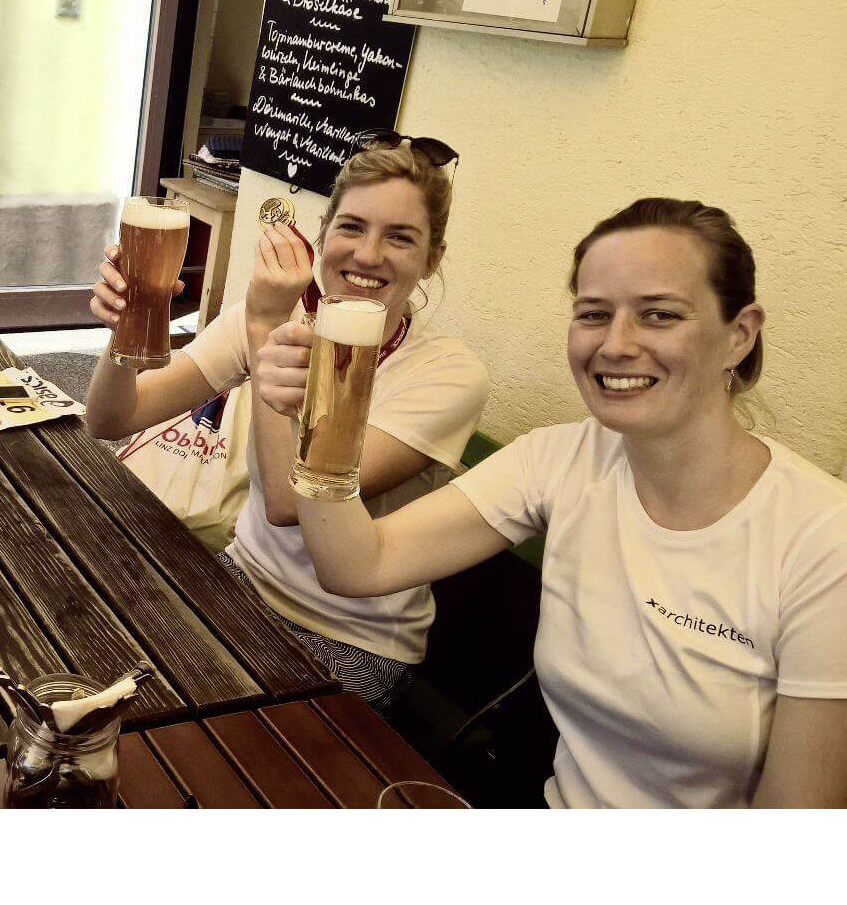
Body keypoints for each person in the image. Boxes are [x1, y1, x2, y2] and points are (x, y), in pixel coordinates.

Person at [257, 198, 847, 808]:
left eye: (659, 315)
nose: (616, 344)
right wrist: (315, 420)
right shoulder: (560, 459)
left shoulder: (824, 542)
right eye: (594, 314)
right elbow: (357, 566)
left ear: (739, 335)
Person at [84, 139, 488, 710]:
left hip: (351, 634)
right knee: (88, 657)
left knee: (192, 728)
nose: (368, 254)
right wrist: (127, 327)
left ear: (432, 259)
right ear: (322, 235)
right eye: (352, 227)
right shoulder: (273, 316)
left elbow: (287, 504)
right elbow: (111, 419)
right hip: (239, 579)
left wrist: (265, 325)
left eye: (400, 237)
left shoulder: (447, 373)